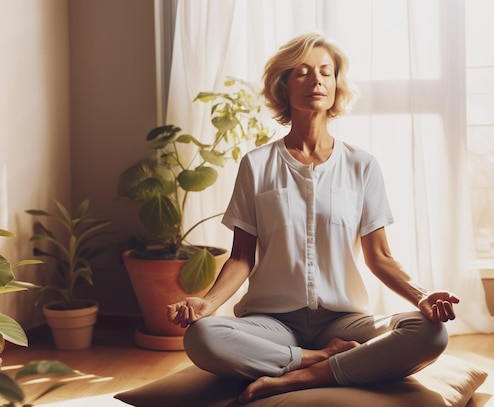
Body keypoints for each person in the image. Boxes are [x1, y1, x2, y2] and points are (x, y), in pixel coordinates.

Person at [166, 32, 459, 404]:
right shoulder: (257, 165)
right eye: (302, 72)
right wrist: (207, 304)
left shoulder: (361, 165)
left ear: (337, 85)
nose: (316, 80)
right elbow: (241, 257)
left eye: (325, 72)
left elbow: (380, 257)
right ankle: (320, 360)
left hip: (344, 320)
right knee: (202, 337)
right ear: (284, 86)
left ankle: (295, 379)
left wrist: (421, 297)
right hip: (272, 323)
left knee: (431, 333)